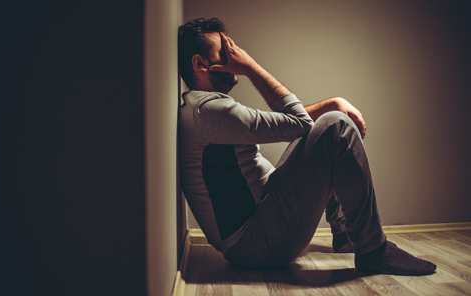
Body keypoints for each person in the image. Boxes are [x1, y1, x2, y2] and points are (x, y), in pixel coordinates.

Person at [178, 18, 436, 275]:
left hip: (261, 221)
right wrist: (250, 66)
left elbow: (289, 125)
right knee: (336, 127)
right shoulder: (209, 111)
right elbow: (299, 122)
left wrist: (332, 102)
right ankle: (373, 250)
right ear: (200, 63)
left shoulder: (206, 108)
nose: (236, 55)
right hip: (254, 244)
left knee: (326, 130)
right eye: (225, 52)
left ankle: (345, 235)